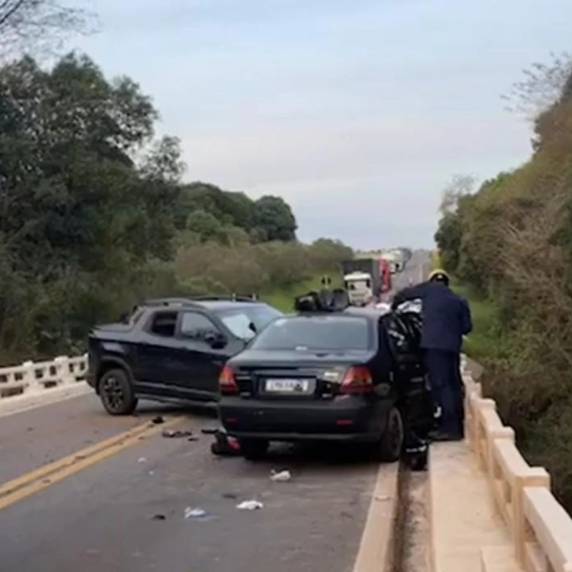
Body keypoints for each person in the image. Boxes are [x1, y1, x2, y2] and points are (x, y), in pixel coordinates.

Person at [392, 269, 472, 441]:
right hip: (453, 348)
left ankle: (449, 429)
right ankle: (457, 426)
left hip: (434, 348)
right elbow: (467, 328)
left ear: (431, 281)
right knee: (454, 385)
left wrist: (394, 306)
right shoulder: (459, 300)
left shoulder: (428, 290)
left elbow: (404, 295)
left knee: (441, 386)